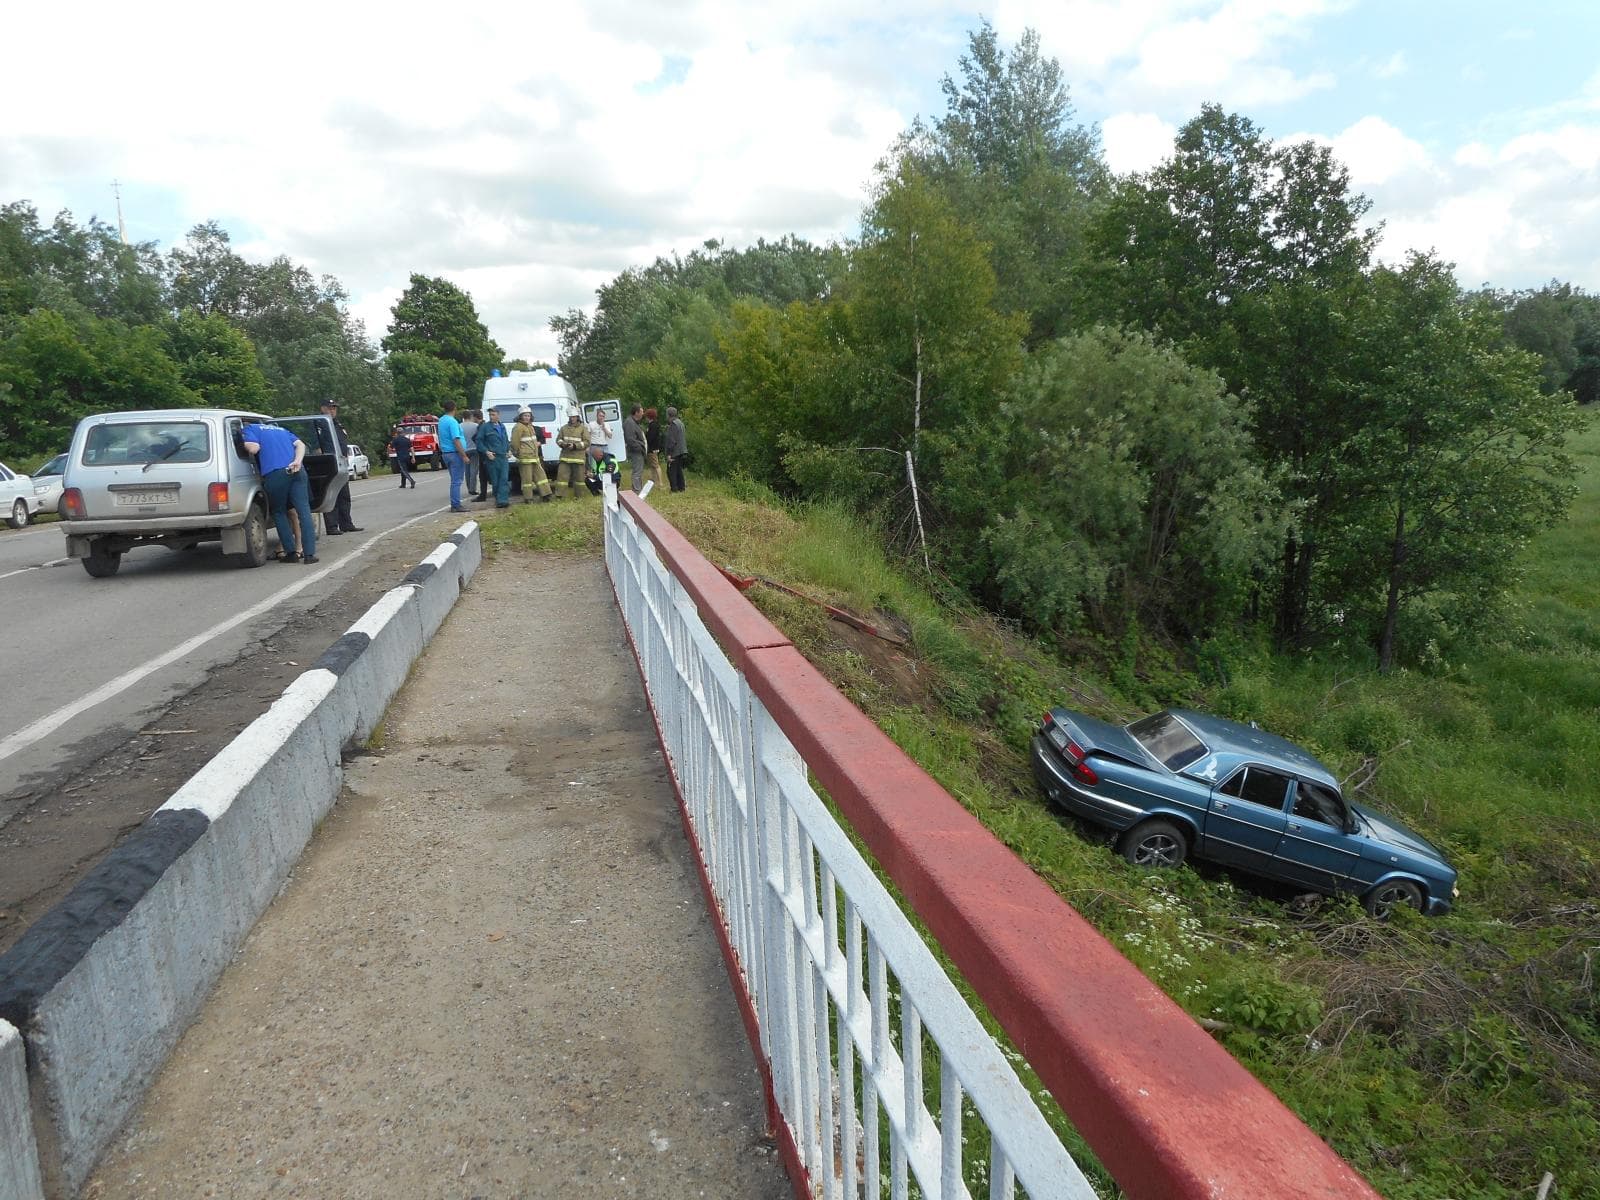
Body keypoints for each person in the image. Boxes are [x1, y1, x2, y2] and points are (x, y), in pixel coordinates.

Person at [241, 421, 318, 564]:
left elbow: (254, 449)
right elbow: (301, 445)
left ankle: (291, 553)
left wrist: (242, 441)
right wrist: (297, 461)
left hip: (276, 473)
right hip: (298, 470)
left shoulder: (249, 429)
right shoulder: (281, 429)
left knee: (279, 512)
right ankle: (309, 555)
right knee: (304, 511)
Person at [320, 399, 363, 535]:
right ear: (323, 409)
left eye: (334, 408)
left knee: (344, 495)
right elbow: (317, 446)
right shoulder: (320, 424)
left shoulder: (337, 424)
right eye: (329, 408)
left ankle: (346, 524)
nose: (332, 410)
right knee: (331, 494)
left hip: (342, 463)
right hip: (329, 463)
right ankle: (332, 526)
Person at [509, 410, 553, 502]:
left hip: (534, 457)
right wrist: (517, 454)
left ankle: (546, 494)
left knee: (541, 477)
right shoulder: (518, 427)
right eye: (525, 415)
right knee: (527, 480)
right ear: (520, 416)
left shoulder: (530, 427)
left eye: (528, 416)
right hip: (525, 458)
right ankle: (528, 498)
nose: (527, 417)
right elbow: (514, 443)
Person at [437, 400, 470, 512]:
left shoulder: (441, 420)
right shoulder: (452, 422)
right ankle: (456, 504)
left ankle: (455, 504)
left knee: (454, 479)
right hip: (455, 453)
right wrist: (463, 455)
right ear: (454, 408)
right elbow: (456, 439)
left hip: (446, 453)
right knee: (457, 481)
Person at [476, 407, 512, 508]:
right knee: (495, 480)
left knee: (504, 479)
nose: (491, 417)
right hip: (493, 457)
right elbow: (479, 442)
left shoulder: (502, 426)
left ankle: (503, 500)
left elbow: (506, 440)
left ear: (498, 415)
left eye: (493, 415)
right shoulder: (485, 427)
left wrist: (509, 450)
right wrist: (486, 452)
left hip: (503, 457)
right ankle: (499, 500)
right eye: (490, 415)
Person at [555, 408, 589, 499]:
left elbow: (587, 442)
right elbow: (558, 439)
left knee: (579, 479)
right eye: (570, 417)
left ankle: (580, 496)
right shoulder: (564, 428)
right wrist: (562, 444)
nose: (572, 418)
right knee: (561, 478)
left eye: (574, 417)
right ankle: (560, 495)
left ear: (577, 417)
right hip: (565, 457)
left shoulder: (583, 429)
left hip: (578, 458)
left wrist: (575, 446)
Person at [622, 404, 648, 494]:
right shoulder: (629, 423)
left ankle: (638, 489)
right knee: (637, 472)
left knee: (639, 471)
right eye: (641, 412)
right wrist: (640, 448)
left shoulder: (634, 422)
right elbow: (630, 439)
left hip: (638, 451)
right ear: (636, 412)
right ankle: (636, 491)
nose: (643, 413)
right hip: (636, 452)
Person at [664, 405, 688, 492]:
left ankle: (674, 488)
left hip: (675, 451)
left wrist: (669, 454)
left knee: (671, 471)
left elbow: (672, 441)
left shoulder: (673, 425)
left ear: (669, 415)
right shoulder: (680, 423)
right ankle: (682, 487)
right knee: (678, 469)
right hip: (681, 450)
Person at [460, 410, 481, 497]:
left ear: (463, 417)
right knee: (474, 470)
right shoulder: (475, 426)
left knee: (467, 470)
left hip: (464, 450)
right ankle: (473, 489)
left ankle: (469, 487)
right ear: (471, 416)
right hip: (474, 449)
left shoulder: (459, 426)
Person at [644, 407, 665, 488]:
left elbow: (651, 437)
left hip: (653, 448)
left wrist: (646, 439)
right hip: (652, 448)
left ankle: (660, 482)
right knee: (652, 465)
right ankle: (653, 481)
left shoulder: (653, 425)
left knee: (656, 465)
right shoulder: (652, 425)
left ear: (649, 416)